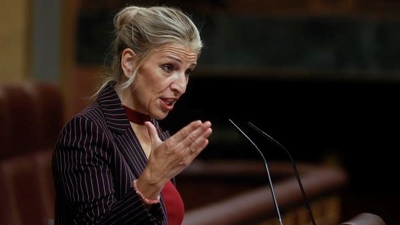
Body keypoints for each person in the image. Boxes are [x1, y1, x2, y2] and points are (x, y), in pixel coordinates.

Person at [52, 5, 212, 225]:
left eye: (187, 72)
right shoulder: (86, 132)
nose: (181, 86)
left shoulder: (155, 130)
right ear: (129, 62)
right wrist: (152, 180)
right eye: (168, 67)